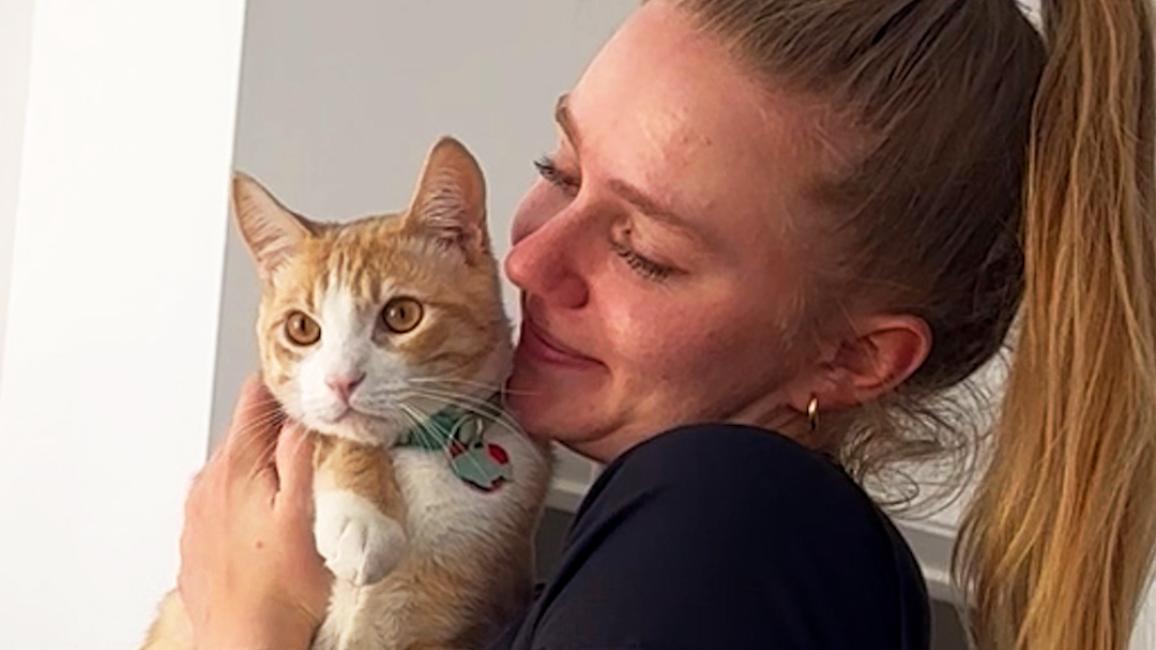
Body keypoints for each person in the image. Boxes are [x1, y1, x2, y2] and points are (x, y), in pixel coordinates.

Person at [176, 0, 1156, 649]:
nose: (524, 259)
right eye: (558, 169)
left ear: (855, 355)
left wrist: (243, 627)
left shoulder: (727, 519)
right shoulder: (737, 553)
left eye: (643, 247)